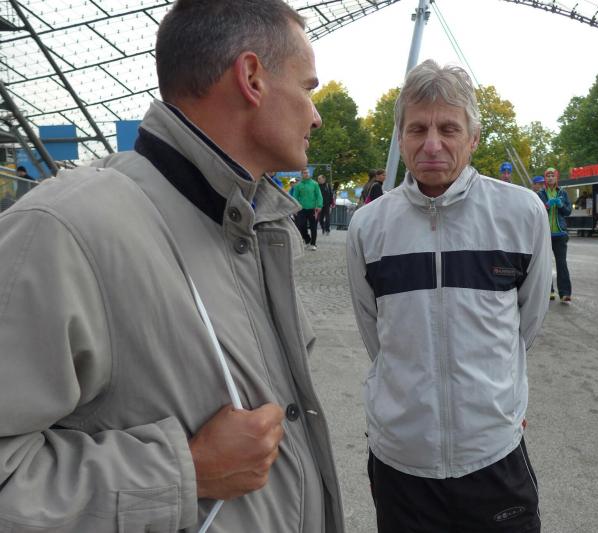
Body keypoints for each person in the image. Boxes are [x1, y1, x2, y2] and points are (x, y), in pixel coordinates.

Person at [0, 1, 345, 531]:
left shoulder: (256, 223)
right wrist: (186, 471)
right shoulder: (64, 228)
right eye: (308, 88)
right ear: (252, 77)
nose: (315, 115)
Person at [346, 59, 551, 533]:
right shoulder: (369, 227)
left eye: (449, 128)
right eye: (417, 129)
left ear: (473, 138)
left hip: (493, 457)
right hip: (402, 463)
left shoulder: (522, 214)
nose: (432, 144)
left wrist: (493, 402)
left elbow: (527, 325)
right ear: (401, 138)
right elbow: (375, 334)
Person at [537, 167, 573, 302]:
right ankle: (549, 290)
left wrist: (561, 205)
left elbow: (568, 212)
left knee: (561, 264)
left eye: (552, 175)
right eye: (548, 176)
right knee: (545, 264)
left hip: (560, 234)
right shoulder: (540, 194)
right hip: (545, 235)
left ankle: (565, 293)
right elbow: (536, 212)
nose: (550, 178)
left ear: (556, 177)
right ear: (545, 178)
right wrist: (546, 206)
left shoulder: (563, 193)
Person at [291, 168, 323, 250]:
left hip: (313, 209)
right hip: (302, 209)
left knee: (313, 227)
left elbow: (319, 195)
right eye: (304, 173)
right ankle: (307, 239)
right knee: (301, 226)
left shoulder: (315, 184)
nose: (306, 174)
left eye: (307, 173)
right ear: (301, 174)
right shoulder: (298, 185)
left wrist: (319, 206)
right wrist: (295, 208)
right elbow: (295, 197)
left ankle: (313, 244)